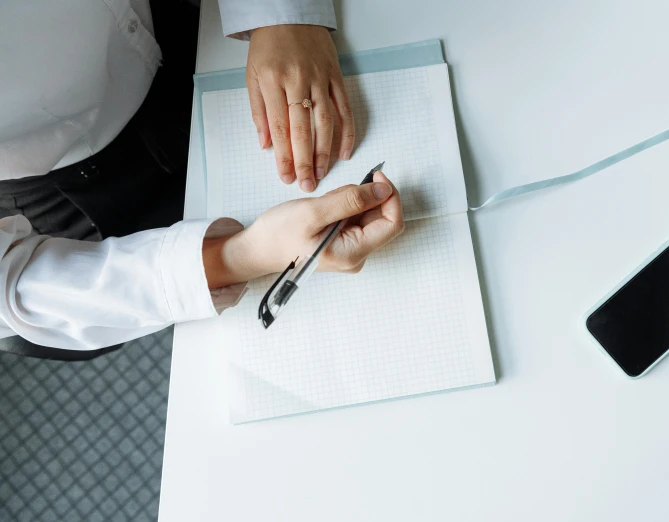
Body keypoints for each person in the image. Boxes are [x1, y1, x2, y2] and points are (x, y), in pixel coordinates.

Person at [0, 0, 404, 352]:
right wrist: (238, 257)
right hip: (77, 192)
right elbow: (17, 287)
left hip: (169, 36)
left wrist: (278, 14)